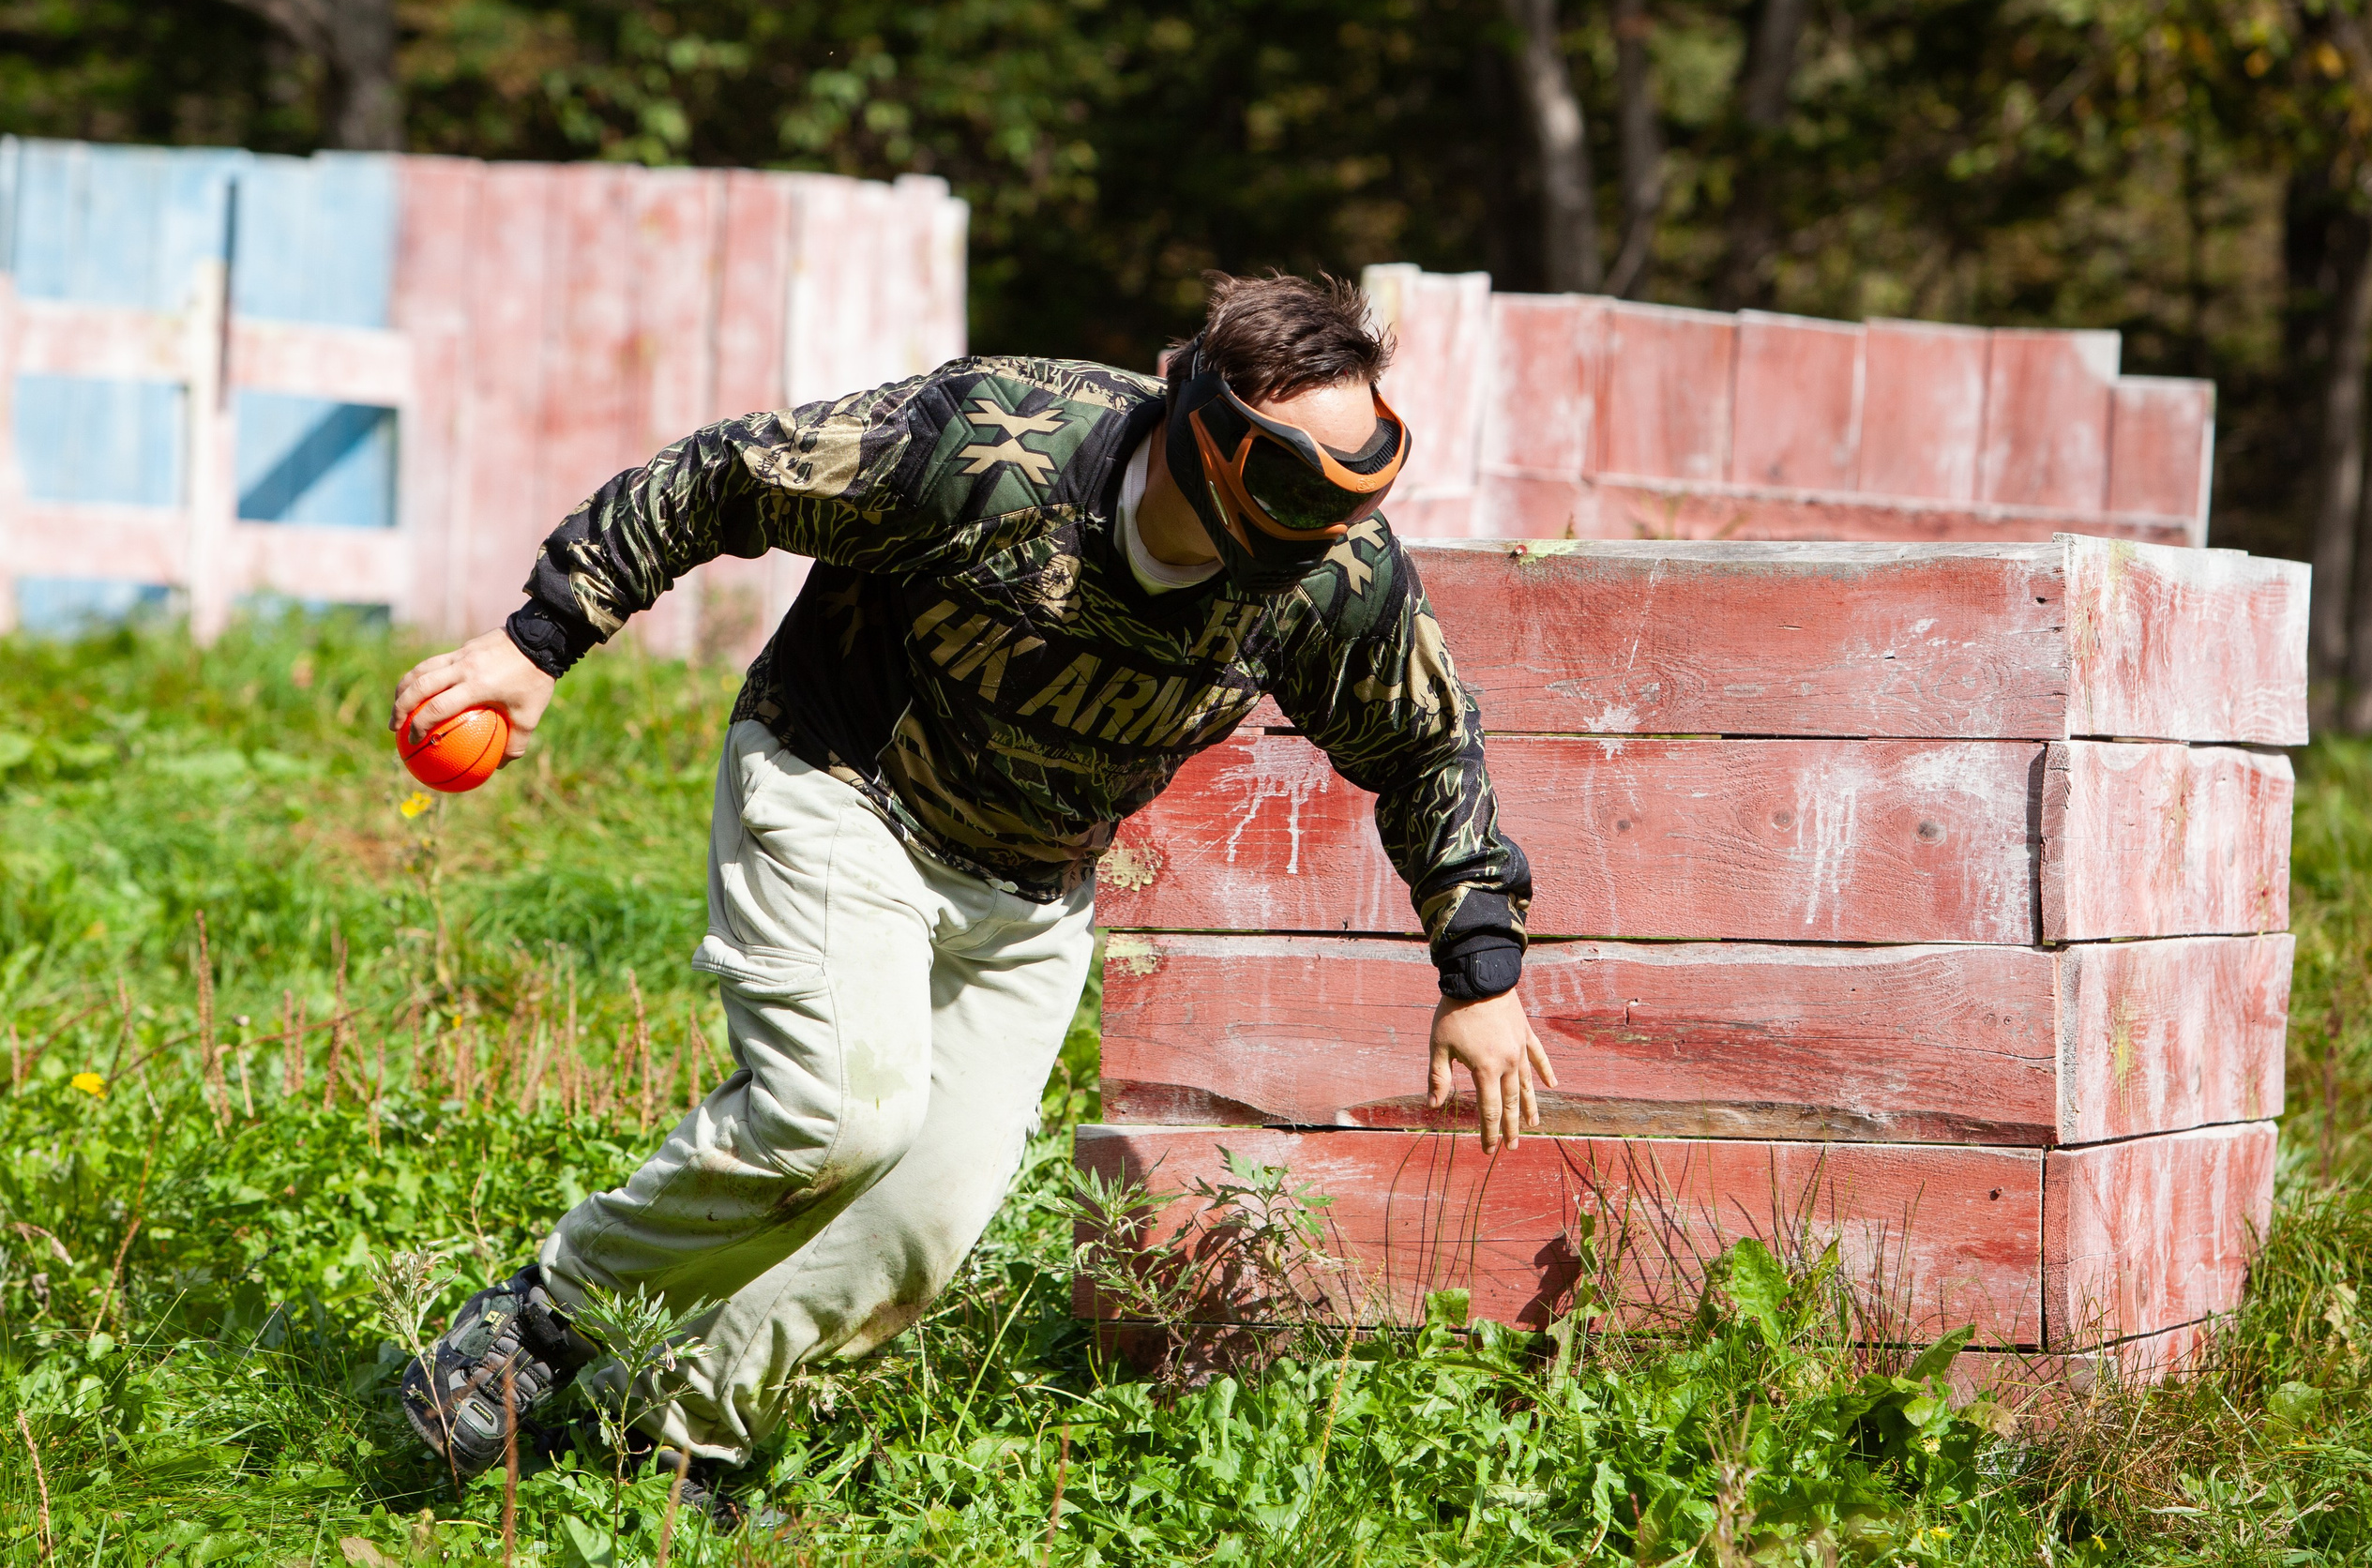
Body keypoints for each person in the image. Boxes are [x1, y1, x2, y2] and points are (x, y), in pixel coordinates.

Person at [388, 271, 1554, 1507]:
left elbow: (1426, 744)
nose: (1329, 528)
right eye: (1299, 489)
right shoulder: (991, 447)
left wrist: (1480, 969)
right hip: (843, 785)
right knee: (839, 1117)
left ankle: (686, 1443)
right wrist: (538, 642)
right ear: (1208, 435)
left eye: (1357, 487)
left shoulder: (1332, 578)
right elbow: (728, 473)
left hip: (1030, 890)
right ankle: (542, 1322)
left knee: (915, 1236)